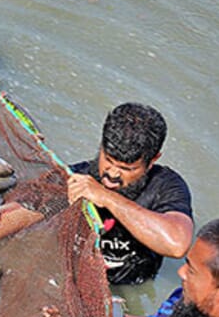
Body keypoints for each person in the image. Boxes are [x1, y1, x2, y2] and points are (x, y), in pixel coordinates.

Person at [67, 102, 194, 284]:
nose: (112, 175)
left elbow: (177, 244)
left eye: (127, 168)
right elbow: (26, 209)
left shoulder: (166, 186)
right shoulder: (77, 176)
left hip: (131, 287)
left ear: (153, 160)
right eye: (108, 160)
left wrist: (106, 197)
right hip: (75, 279)